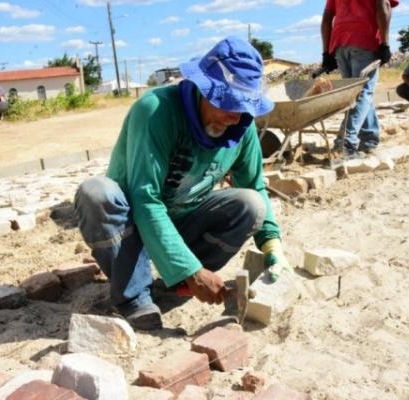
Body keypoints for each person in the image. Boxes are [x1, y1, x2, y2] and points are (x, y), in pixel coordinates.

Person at [73, 36, 290, 330]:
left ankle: (178, 285)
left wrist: (272, 246)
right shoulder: (156, 111)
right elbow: (145, 198)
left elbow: (255, 186)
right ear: (203, 89)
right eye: (227, 102)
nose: (235, 115)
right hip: (132, 224)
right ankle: (135, 296)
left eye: (243, 106)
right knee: (96, 194)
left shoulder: (241, 125)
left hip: (184, 221)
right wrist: (190, 269)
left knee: (250, 205)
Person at [321, 0, 398, 159]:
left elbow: (327, 19)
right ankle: (345, 142)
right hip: (364, 40)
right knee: (362, 93)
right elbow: (384, 6)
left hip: (340, 45)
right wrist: (385, 43)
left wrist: (326, 53)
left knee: (356, 93)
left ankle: (369, 139)